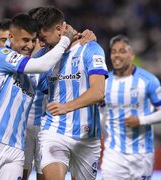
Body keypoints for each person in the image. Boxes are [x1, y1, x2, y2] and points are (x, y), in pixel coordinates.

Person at [0, 13, 75, 180]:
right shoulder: (2, 54)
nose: (29, 45)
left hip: (16, 149)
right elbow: (42, 65)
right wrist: (65, 40)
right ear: (11, 37)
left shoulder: (32, 72)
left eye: (32, 40)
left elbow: (54, 78)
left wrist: (79, 40)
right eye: (24, 40)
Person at [32, 6, 108, 180]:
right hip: (54, 131)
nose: (41, 43)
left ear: (59, 29)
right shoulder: (44, 57)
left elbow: (98, 92)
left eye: (43, 38)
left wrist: (67, 107)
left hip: (87, 137)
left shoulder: (90, 49)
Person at [100, 35, 161, 180]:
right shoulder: (104, 83)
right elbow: (99, 111)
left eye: (122, 51)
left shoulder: (148, 80)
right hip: (113, 153)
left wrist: (141, 120)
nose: (117, 55)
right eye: (114, 51)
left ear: (131, 55)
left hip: (141, 154)